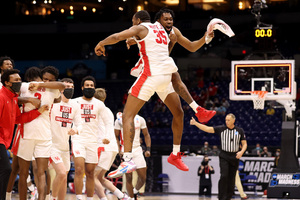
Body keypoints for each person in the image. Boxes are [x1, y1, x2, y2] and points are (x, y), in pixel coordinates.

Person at [95, 10, 215, 176]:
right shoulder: (163, 31)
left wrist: (101, 43)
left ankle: (128, 160)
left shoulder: (140, 28)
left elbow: (116, 37)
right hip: (165, 75)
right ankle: (175, 153)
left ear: (137, 20)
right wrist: (207, 37)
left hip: (151, 76)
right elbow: (183, 47)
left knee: (127, 116)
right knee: (178, 112)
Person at [14, 66, 65, 200]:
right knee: (35, 173)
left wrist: (36, 88)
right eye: (45, 79)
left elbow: (14, 99)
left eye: (50, 80)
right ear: (41, 77)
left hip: (33, 134)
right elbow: (61, 88)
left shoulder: (26, 86)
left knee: (30, 173)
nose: (47, 82)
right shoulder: (52, 90)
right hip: (38, 133)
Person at [0, 69, 48, 200]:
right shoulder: (1, 97)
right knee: (8, 170)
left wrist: (38, 111)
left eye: (19, 79)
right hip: (6, 139)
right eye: (16, 80)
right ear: (6, 83)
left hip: (6, 140)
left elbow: (18, 118)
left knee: (9, 170)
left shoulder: (13, 98)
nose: (19, 82)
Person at [190, 113, 247, 200]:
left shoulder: (239, 131)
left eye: (228, 120)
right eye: (226, 120)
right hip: (224, 155)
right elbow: (207, 128)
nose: (226, 122)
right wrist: (196, 123)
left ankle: (228, 197)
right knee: (224, 176)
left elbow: (244, 144)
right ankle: (221, 197)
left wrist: (241, 152)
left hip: (234, 156)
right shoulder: (221, 129)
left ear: (233, 121)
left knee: (232, 179)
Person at [72, 76, 112, 200]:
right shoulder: (75, 102)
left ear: (94, 88)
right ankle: (79, 197)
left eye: (91, 86)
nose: (89, 87)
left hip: (92, 142)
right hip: (78, 139)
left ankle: (89, 198)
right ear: (82, 87)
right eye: (87, 85)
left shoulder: (99, 104)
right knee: (79, 169)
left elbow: (108, 121)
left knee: (90, 173)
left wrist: (107, 136)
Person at [93, 88, 129, 200]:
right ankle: (122, 196)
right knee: (100, 178)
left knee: (91, 176)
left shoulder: (96, 110)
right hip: (112, 147)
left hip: (103, 146)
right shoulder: (108, 110)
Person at [49, 78, 82, 200]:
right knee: (61, 173)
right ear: (60, 88)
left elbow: (80, 124)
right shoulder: (53, 102)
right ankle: (52, 198)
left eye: (71, 87)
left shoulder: (75, 105)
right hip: (51, 145)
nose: (69, 89)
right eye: (67, 87)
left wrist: (76, 130)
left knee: (64, 177)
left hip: (64, 147)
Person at [114, 112, 151, 200]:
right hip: (125, 150)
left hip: (137, 150)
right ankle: (131, 198)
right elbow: (115, 136)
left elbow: (146, 134)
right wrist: (119, 149)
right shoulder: (119, 119)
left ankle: (134, 192)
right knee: (128, 178)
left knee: (143, 178)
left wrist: (148, 149)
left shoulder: (140, 119)